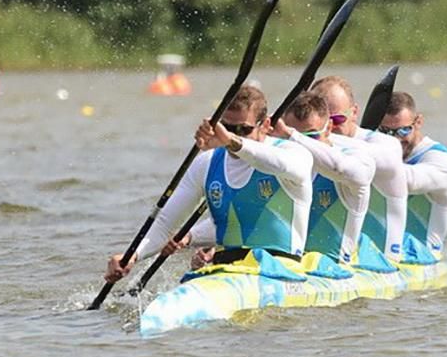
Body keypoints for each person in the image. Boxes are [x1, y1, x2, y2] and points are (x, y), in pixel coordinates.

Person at [104, 85, 313, 282]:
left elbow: (281, 164)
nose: (234, 134)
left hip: (282, 270)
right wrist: (132, 255)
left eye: (244, 129)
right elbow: (166, 224)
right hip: (226, 269)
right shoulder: (206, 162)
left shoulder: (293, 154)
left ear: (266, 125)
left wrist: (231, 141)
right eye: (228, 127)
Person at [311, 75, 409, 262]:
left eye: (337, 119)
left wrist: (301, 136)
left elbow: (366, 159)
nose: (330, 127)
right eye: (323, 121)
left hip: (381, 262)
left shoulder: (386, 145)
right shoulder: (312, 143)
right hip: (325, 260)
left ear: (354, 112)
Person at [271, 91, 375, 264]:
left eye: (311, 136)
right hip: (285, 263)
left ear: (328, 128)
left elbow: (338, 167)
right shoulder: (279, 161)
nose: (302, 145)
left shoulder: (358, 161)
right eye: (296, 134)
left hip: (336, 268)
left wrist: (291, 136)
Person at [378, 91, 447, 259]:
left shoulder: (441, 161)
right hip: (381, 254)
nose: (395, 140)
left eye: (403, 131)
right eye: (387, 132)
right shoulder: (378, 151)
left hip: (421, 258)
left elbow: (408, 181)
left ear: (418, 122)